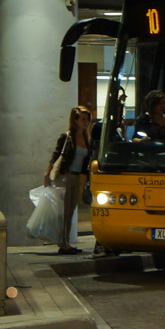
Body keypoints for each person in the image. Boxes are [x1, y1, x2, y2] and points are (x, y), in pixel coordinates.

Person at [44, 105, 92, 255]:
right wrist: (47, 174)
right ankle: (63, 243)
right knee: (64, 211)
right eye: (83, 119)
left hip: (77, 177)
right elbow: (56, 154)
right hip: (66, 175)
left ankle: (66, 242)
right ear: (75, 120)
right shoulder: (67, 136)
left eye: (87, 119)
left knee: (71, 211)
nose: (86, 122)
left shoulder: (85, 137)